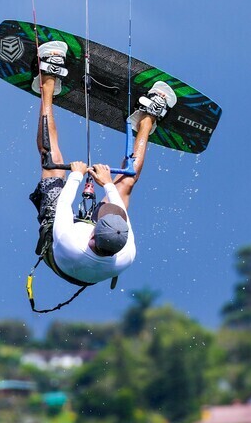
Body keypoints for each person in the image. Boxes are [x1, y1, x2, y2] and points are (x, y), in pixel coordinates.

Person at [29, 39, 177, 286]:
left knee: (52, 166)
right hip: (94, 253)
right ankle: (148, 119)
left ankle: (46, 80)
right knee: (126, 183)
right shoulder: (126, 251)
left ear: (93, 234)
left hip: (60, 257)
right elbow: (118, 206)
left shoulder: (70, 242)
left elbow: (65, 202)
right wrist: (108, 184)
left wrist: (76, 175)